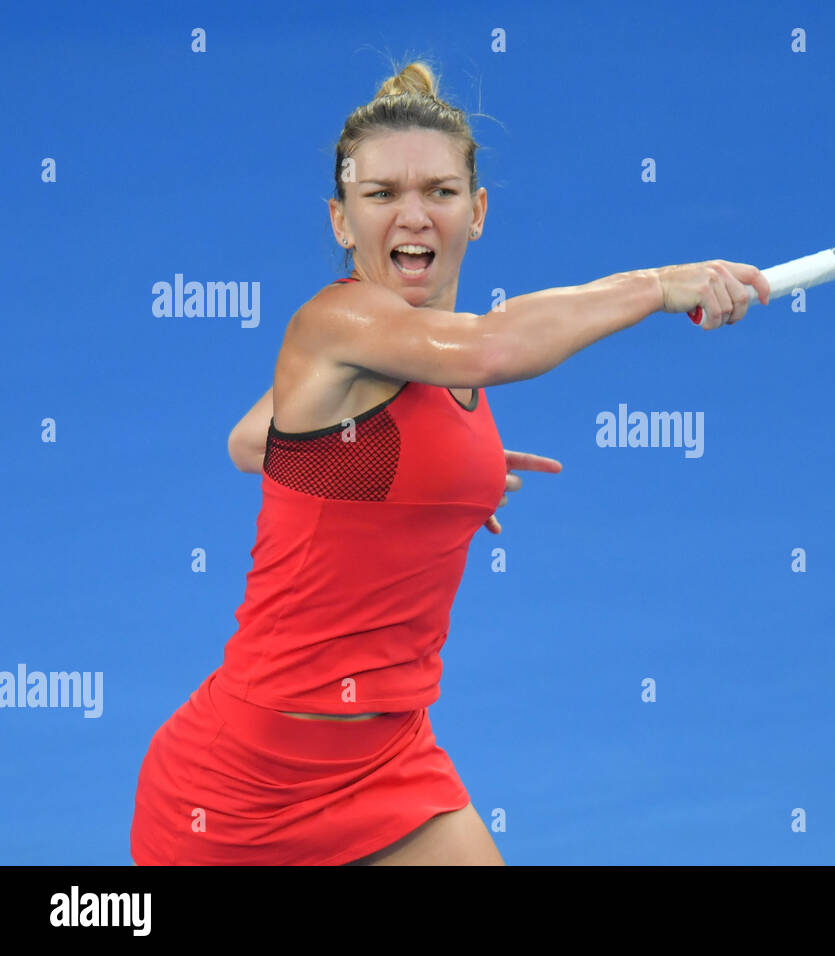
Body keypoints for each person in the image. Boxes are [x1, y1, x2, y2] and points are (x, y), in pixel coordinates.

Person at [129, 59, 770, 866]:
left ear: (478, 212)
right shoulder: (341, 324)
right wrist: (661, 285)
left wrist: (431, 476)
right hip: (244, 784)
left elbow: (251, 441)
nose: (414, 215)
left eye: (440, 191)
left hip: (390, 759)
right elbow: (495, 345)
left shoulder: (426, 350)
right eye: (381, 195)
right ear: (339, 219)